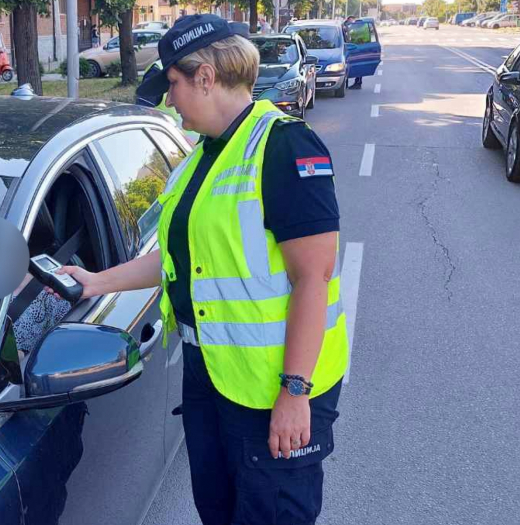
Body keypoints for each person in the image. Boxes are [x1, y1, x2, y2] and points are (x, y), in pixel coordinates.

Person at [54, 14, 348, 525]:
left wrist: (295, 392)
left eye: (172, 84)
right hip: (210, 376)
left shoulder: (283, 146)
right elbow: (176, 261)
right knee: (218, 510)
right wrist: (97, 282)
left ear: (206, 77)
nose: (169, 101)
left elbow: (313, 278)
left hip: (271, 389)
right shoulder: (202, 157)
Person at [343, 16, 362, 90]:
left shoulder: (355, 29)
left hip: (355, 49)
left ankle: (358, 83)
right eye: (350, 21)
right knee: (346, 67)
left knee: (357, 66)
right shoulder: (344, 27)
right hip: (347, 50)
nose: (351, 23)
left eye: (352, 21)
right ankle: (346, 84)